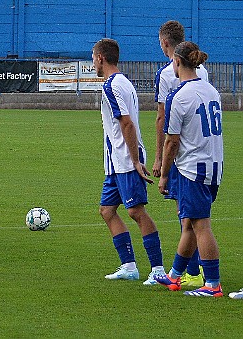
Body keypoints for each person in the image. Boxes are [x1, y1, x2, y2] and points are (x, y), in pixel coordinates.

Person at [154, 42, 225, 297]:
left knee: (200, 225)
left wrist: (164, 174)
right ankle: (174, 275)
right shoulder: (211, 90)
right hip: (213, 165)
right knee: (190, 224)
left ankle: (213, 284)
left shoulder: (179, 96)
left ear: (177, 62)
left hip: (193, 168)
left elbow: (172, 140)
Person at [93, 38, 165, 282]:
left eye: (94, 57)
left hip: (125, 159)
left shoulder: (111, 86)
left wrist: (134, 160)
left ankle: (157, 270)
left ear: (101, 58)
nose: (93, 62)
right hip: (115, 162)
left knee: (136, 211)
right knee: (107, 210)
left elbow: (127, 123)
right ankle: (129, 266)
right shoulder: (124, 82)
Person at [149, 20, 209, 287]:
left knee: (188, 215)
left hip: (181, 152)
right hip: (204, 149)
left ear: (165, 43)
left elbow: (162, 118)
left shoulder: (166, 74)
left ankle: (194, 273)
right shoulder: (202, 71)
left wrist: (160, 159)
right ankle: (192, 271)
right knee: (194, 215)